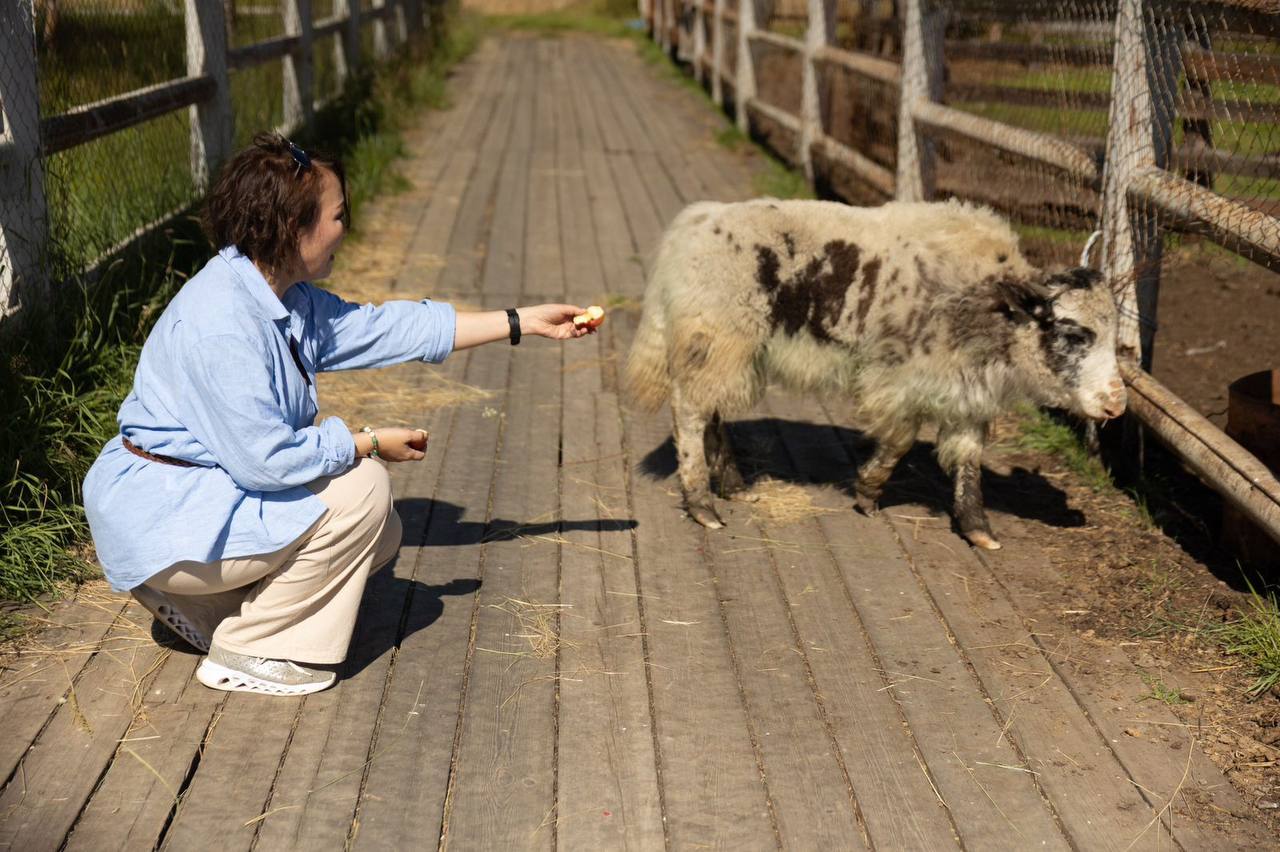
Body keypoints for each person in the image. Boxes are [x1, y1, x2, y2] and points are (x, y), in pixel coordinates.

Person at [83, 133, 594, 696]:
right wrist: (366, 443)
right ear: (290, 227)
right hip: (164, 519)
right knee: (364, 490)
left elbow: (386, 329)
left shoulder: (281, 293)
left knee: (383, 532)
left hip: (195, 503)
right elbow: (267, 464)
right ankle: (251, 650)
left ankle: (208, 611)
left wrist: (521, 320)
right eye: (337, 216)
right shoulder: (222, 323)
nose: (344, 229)